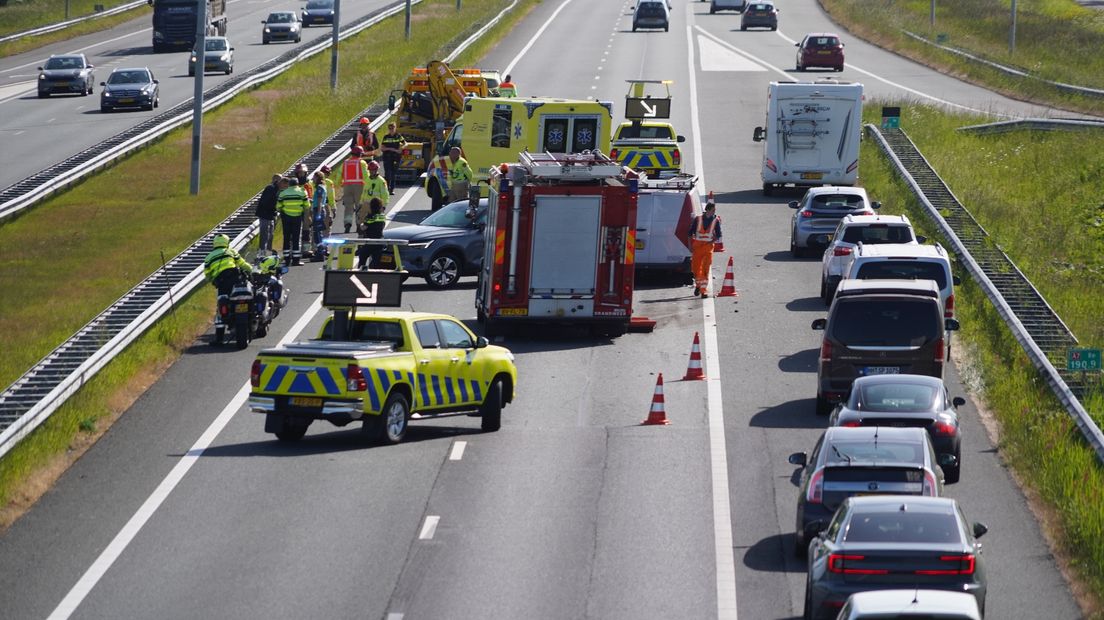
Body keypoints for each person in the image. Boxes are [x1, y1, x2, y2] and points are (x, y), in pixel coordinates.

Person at [688, 196, 723, 297]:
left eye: (714, 210)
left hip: (708, 249)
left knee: (705, 269)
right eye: (713, 210)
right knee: (695, 269)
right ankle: (698, 286)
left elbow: (719, 235)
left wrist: (712, 241)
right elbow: (690, 233)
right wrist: (690, 246)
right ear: (707, 210)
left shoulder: (715, 221)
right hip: (697, 248)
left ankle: (703, 291)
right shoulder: (698, 219)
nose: (714, 212)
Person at [203, 233, 252, 298]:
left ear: (214, 243)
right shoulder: (231, 252)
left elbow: (207, 274)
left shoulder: (208, 257)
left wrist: (212, 280)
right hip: (235, 277)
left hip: (220, 281)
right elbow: (242, 264)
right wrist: (251, 269)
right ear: (227, 242)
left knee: (222, 299)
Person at [277, 177, 309, 265]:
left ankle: (287, 259)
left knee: (286, 238)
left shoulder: (283, 193)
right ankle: (296, 260)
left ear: (289, 184)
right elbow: (307, 205)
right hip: (297, 217)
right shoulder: (302, 192)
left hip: (286, 217)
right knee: (296, 238)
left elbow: (278, 206)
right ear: (297, 184)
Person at [340, 145, 369, 233]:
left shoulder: (345, 162)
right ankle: (358, 225)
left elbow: (339, 175)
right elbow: (366, 176)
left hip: (347, 186)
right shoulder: (362, 162)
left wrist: (339, 185)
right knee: (359, 206)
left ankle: (347, 224)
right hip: (359, 186)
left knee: (348, 206)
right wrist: (368, 185)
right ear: (360, 154)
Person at [356, 197, 387, 270]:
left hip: (371, 241)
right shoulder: (382, 216)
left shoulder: (370, 216)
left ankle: (360, 271)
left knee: (362, 256)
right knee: (376, 261)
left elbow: (364, 227)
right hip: (380, 241)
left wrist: (360, 224)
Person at [255, 174, 281, 256]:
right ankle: (262, 252)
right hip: (265, 215)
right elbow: (266, 202)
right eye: (280, 180)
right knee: (264, 234)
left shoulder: (276, 189)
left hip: (271, 215)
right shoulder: (270, 188)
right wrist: (274, 209)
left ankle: (268, 251)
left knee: (270, 234)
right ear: (275, 180)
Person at [307, 170, 329, 261]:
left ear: (318, 178)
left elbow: (320, 201)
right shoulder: (322, 187)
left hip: (318, 210)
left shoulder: (320, 188)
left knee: (317, 233)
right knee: (317, 232)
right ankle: (320, 251)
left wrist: (318, 213)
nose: (313, 179)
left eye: (314, 178)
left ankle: (320, 253)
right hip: (318, 209)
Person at [380, 122, 406, 194]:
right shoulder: (386, 137)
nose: (391, 130)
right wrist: (391, 149)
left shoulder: (398, 136)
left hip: (395, 158)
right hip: (387, 157)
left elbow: (405, 143)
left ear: (395, 128)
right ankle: (387, 188)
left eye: (392, 128)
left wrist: (401, 148)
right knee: (387, 174)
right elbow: (382, 148)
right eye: (390, 128)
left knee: (393, 174)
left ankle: (392, 189)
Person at [320, 164, 337, 233]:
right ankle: (325, 240)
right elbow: (331, 196)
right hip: (325, 205)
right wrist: (333, 208)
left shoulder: (313, 182)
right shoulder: (329, 182)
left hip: (315, 206)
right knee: (328, 223)